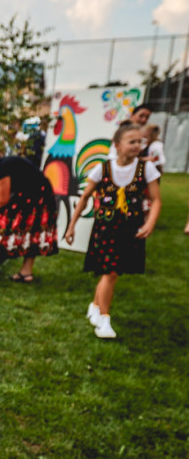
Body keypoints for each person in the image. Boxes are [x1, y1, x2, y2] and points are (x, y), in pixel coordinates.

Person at [64, 123, 161, 338]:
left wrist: (149, 223)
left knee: (113, 274)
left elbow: (156, 200)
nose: (137, 145)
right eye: (132, 141)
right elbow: (85, 197)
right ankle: (104, 321)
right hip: (106, 229)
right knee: (110, 272)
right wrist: (71, 225)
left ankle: (95, 306)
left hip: (130, 230)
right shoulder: (103, 168)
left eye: (140, 141)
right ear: (117, 145)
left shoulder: (147, 169)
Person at [0, 145, 58, 282]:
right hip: (39, 195)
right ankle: (26, 272)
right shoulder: (4, 164)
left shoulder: (2, 168)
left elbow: (2, 201)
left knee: (2, 222)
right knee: (32, 233)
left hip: (36, 197)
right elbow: (2, 198)